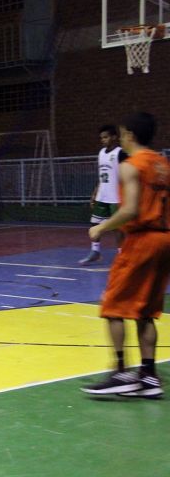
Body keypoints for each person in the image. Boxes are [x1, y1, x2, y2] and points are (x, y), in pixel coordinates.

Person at [81, 112, 170, 399]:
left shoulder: (131, 166)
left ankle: (120, 373)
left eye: (121, 134)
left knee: (112, 306)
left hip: (142, 240)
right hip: (164, 239)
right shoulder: (163, 164)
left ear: (129, 134)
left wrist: (101, 227)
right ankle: (149, 377)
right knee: (145, 313)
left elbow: (131, 209)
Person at [79, 125, 128, 265]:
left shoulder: (120, 153)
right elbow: (101, 176)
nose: (103, 140)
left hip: (116, 198)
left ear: (114, 137)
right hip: (102, 196)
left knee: (117, 228)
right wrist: (95, 193)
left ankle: (122, 255)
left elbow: (128, 174)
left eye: (105, 137)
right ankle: (95, 251)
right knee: (94, 224)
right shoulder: (101, 153)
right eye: (101, 138)